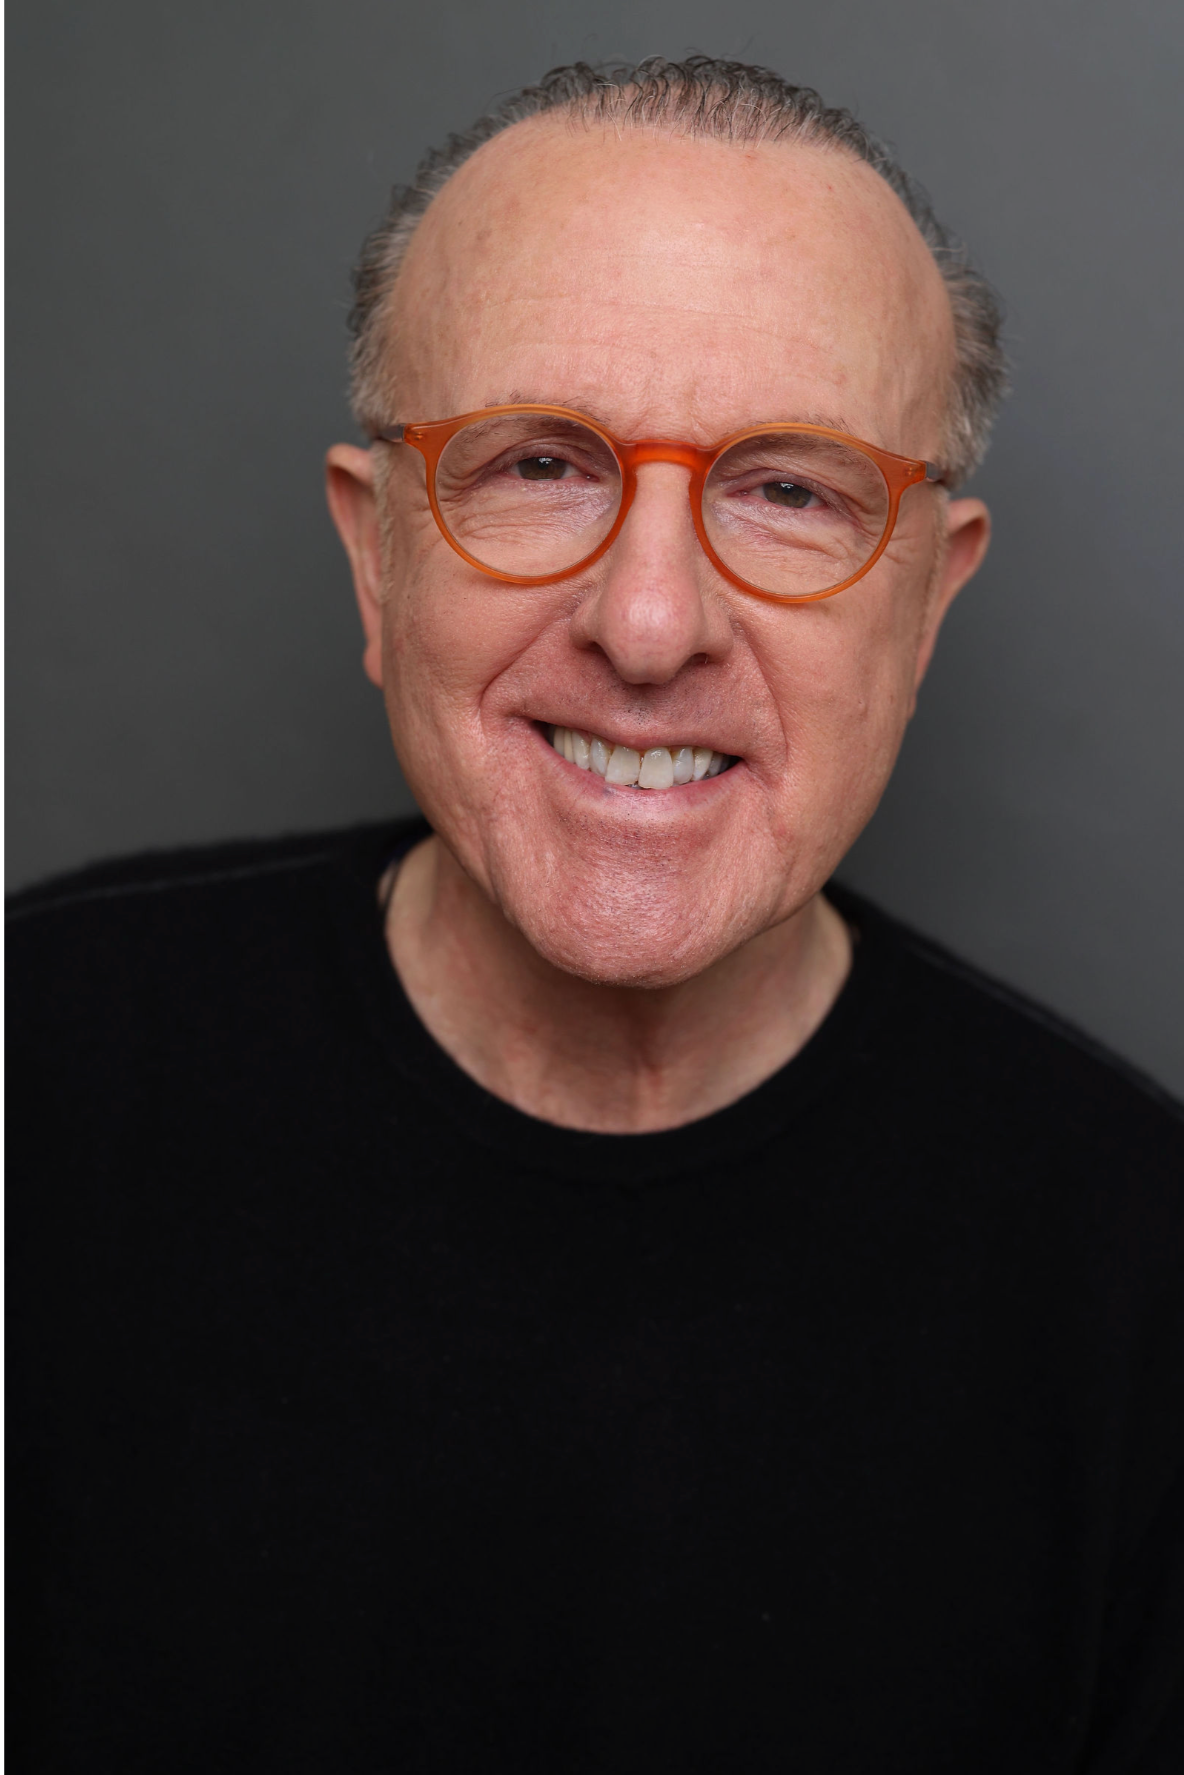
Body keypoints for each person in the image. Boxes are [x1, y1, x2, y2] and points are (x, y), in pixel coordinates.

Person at [9, 56, 1183, 1772]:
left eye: (791, 489)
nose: (648, 622)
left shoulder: (1146, 1290)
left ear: (927, 608)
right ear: (376, 555)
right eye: (540, 463)